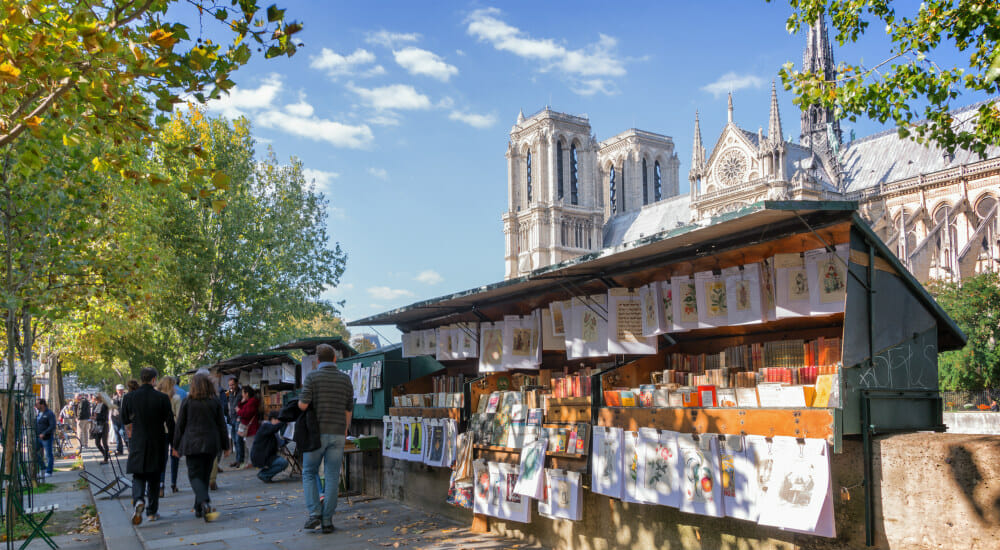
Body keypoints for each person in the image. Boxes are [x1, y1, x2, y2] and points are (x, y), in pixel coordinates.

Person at [298, 344, 354, 534]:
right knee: (332, 476)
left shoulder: (312, 377)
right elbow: (348, 409)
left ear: (317, 361)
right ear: (335, 359)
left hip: (316, 435)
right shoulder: (345, 380)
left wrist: (299, 401)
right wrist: (345, 429)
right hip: (338, 433)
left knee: (308, 472)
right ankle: (327, 520)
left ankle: (314, 513)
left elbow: (304, 405)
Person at [172, 373, 229, 522]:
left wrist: (175, 445)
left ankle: (204, 501)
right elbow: (222, 426)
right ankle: (199, 509)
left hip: (192, 444)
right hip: (211, 444)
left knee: (194, 475)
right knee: (204, 475)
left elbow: (180, 426)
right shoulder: (215, 402)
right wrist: (226, 446)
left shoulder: (187, 402)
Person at [121, 367, 175, 525]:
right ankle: (152, 512)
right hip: (157, 440)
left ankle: (138, 500)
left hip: (138, 440)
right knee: (154, 477)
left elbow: (124, 419)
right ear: (153, 380)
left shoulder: (130, 397)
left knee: (138, 475)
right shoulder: (162, 398)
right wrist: (173, 442)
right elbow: (170, 422)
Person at [157, 376, 182, 495]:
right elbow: (179, 416)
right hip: (174, 430)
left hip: (161, 430)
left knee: (162, 459)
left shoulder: (157, 397)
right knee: (175, 456)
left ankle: (161, 484)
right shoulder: (176, 398)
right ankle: (174, 483)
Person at [251, 411, 288, 483]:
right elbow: (274, 428)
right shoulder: (266, 426)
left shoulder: (269, 428)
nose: (279, 422)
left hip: (266, 455)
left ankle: (265, 474)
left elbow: (281, 443)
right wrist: (284, 422)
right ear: (273, 419)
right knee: (283, 463)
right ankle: (264, 474)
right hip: (261, 456)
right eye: (279, 420)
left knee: (282, 462)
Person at [236, 386, 261, 469]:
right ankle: (251, 462)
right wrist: (241, 403)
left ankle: (252, 462)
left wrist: (238, 411)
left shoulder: (252, 402)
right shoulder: (250, 402)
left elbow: (246, 413)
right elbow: (243, 409)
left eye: (243, 393)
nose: (242, 395)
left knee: (251, 446)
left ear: (247, 394)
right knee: (250, 445)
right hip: (250, 427)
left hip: (251, 427)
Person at [35, 398, 57, 476]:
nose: (36, 406)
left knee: (48, 454)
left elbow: (52, 425)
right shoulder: (38, 413)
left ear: (42, 405)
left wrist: (44, 433)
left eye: (37, 404)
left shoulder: (49, 413)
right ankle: (42, 467)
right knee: (34, 451)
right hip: (38, 437)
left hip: (46, 437)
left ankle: (49, 471)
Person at [225, 378, 243, 466]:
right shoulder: (230, 393)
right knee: (235, 441)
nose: (231, 386)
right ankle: (237, 459)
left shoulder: (241, 393)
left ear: (237, 383)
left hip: (238, 419)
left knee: (238, 440)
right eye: (230, 385)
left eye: (232, 384)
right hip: (232, 419)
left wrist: (239, 417)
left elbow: (243, 405)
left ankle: (240, 460)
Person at [90, 394, 111, 464]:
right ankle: (105, 454)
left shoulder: (104, 406)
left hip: (104, 425)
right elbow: (94, 414)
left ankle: (106, 459)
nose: (95, 401)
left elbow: (104, 417)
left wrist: (96, 417)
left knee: (104, 442)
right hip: (97, 425)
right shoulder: (95, 406)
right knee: (97, 442)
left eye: (96, 399)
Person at [112, 384, 127, 455]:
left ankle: (129, 447)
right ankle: (119, 450)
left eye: (121, 390)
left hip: (123, 419)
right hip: (115, 418)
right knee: (117, 434)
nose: (120, 391)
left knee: (123, 433)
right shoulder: (114, 398)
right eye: (118, 390)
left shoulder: (126, 397)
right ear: (116, 390)